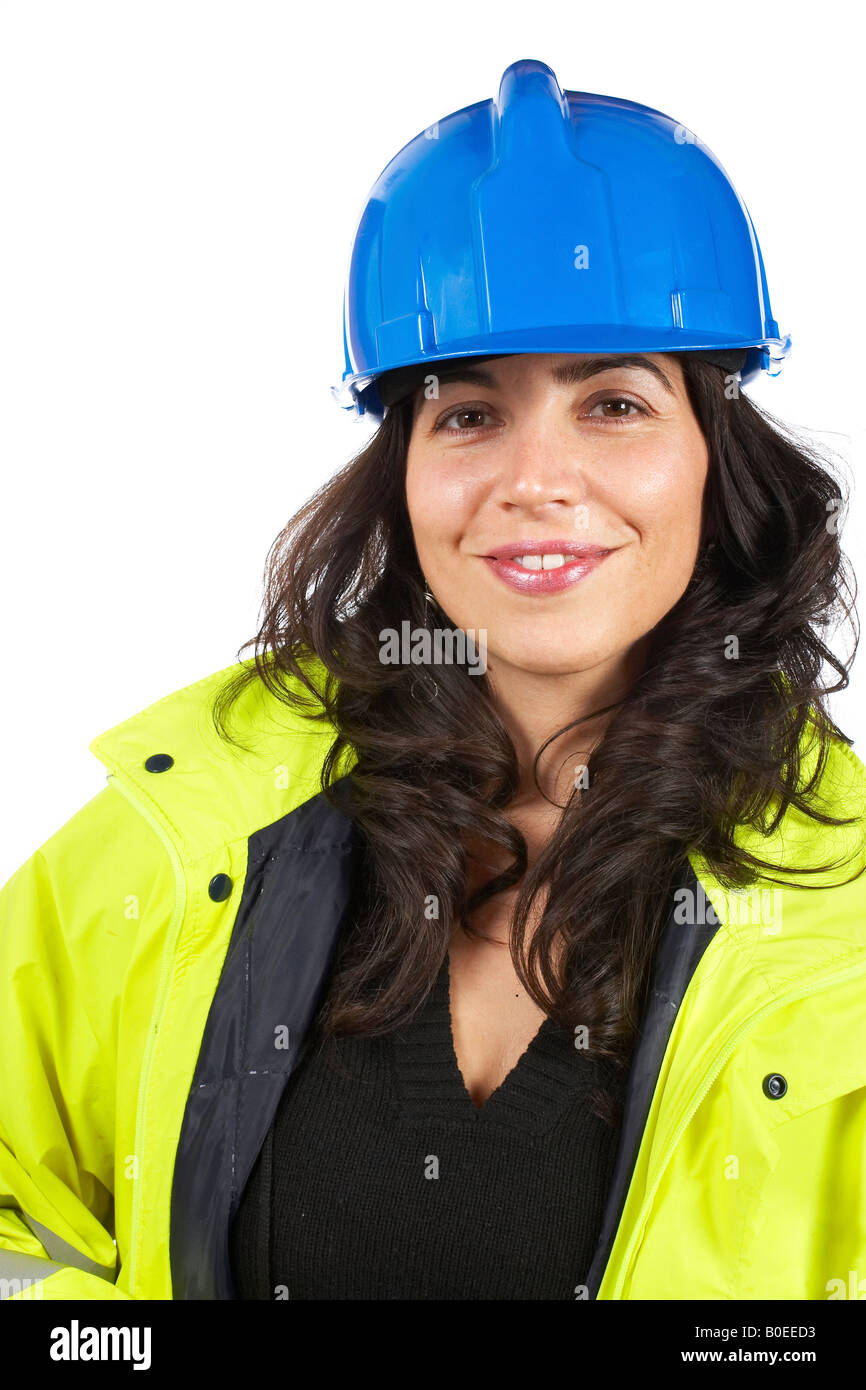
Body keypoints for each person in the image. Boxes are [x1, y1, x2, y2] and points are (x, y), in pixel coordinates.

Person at [1, 58, 864, 1303]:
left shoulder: (836, 917)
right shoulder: (196, 833)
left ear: (714, 459)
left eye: (612, 403)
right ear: (400, 468)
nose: (535, 479)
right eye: (466, 413)